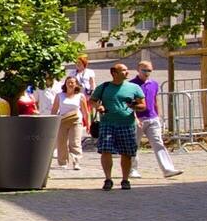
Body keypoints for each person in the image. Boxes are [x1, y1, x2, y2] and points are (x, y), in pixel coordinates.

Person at [91, 63, 147, 191]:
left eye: (127, 70)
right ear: (114, 73)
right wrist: (98, 106)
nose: (127, 72)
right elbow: (92, 100)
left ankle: (125, 179)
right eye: (123, 70)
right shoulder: (104, 87)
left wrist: (134, 106)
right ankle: (108, 179)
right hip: (107, 123)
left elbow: (143, 105)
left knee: (126, 152)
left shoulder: (134, 87)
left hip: (126, 124)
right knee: (106, 150)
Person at [131, 60, 182, 178]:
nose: (147, 73)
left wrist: (159, 116)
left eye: (149, 70)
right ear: (138, 69)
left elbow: (155, 101)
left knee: (158, 143)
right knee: (134, 145)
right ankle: (132, 169)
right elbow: (130, 104)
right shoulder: (132, 85)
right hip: (138, 119)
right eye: (144, 70)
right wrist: (134, 118)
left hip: (152, 118)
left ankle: (167, 169)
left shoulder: (154, 84)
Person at [51, 77, 90, 170]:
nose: (70, 84)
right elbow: (54, 110)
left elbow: (85, 111)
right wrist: (53, 122)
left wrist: (88, 124)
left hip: (76, 121)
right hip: (63, 121)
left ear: (76, 84)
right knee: (61, 142)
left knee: (75, 142)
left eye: (73, 82)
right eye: (68, 82)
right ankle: (62, 162)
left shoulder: (80, 96)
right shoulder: (59, 95)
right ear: (65, 84)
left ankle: (76, 161)